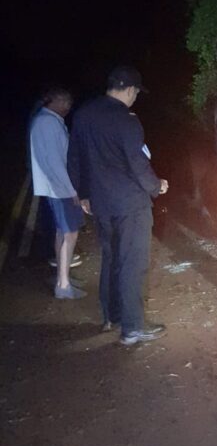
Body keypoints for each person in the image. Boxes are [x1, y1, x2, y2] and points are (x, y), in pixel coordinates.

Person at [68, 66, 169, 346]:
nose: (136, 96)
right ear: (128, 89)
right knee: (132, 263)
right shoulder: (126, 120)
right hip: (130, 203)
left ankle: (111, 315)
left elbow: (74, 159)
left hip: (101, 203)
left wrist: (84, 194)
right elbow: (137, 163)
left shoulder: (83, 115)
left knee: (111, 258)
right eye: (136, 91)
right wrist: (156, 186)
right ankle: (133, 327)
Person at [29, 87, 85, 299]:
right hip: (59, 189)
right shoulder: (48, 123)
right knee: (69, 234)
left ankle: (63, 277)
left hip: (55, 188)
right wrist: (72, 190)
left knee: (62, 232)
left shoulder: (46, 121)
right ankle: (63, 285)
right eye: (66, 101)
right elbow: (56, 162)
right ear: (56, 101)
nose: (69, 106)